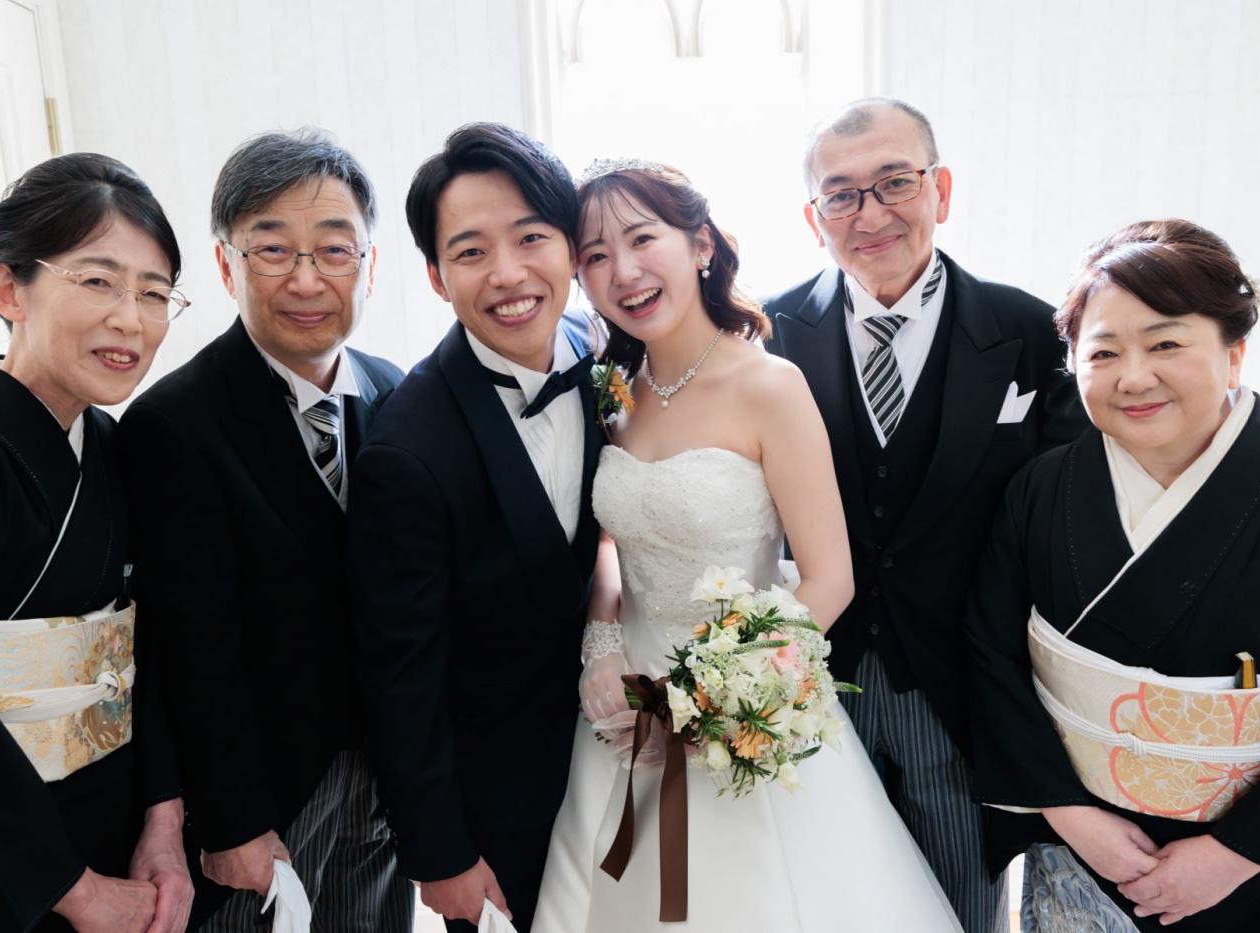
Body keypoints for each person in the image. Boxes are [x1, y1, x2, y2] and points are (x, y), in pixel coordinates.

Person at [531, 157, 960, 932]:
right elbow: (608, 541)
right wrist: (601, 645)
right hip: (623, 708)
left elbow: (829, 579)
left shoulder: (771, 386)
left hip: (742, 707)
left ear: (700, 244)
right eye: (595, 254)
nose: (622, 270)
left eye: (642, 238)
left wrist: (709, 699)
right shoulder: (611, 387)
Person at [763, 96, 1088, 930]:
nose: (870, 214)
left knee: (961, 910)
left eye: (895, 182)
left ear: (940, 189)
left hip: (962, 691)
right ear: (814, 218)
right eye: (841, 194)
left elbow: (1066, 521)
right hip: (812, 695)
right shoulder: (766, 335)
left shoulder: (1032, 331)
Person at [0, 153, 192, 932]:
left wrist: (164, 822)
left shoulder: (115, 447)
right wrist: (76, 890)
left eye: (154, 292)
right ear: (7, 289)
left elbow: (149, 652)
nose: (131, 318)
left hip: (115, 840)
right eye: (98, 281)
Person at [120, 129, 412, 931]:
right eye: (274, 250)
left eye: (335, 250)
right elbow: (187, 645)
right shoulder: (173, 424)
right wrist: (232, 819)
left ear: (369, 265)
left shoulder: (396, 396)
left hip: (383, 792)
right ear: (226, 266)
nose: (306, 279)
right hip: (264, 801)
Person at [964, 219, 1260, 933]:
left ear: (1234, 353)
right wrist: (1067, 810)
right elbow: (989, 656)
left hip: (1258, 869)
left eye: (1166, 344)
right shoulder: (1041, 488)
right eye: (1104, 352)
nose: (1133, 377)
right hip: (1081, 847)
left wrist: (1239, 851)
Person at [349, 123, 604, 932]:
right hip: (503, 812)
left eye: (531, 237)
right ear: (435, 275)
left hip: (635, 769)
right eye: (470, 251)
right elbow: (401, 674)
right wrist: (441, 853)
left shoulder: (613, 354)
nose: (508, 274)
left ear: (571, 248)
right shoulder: (406, 448)